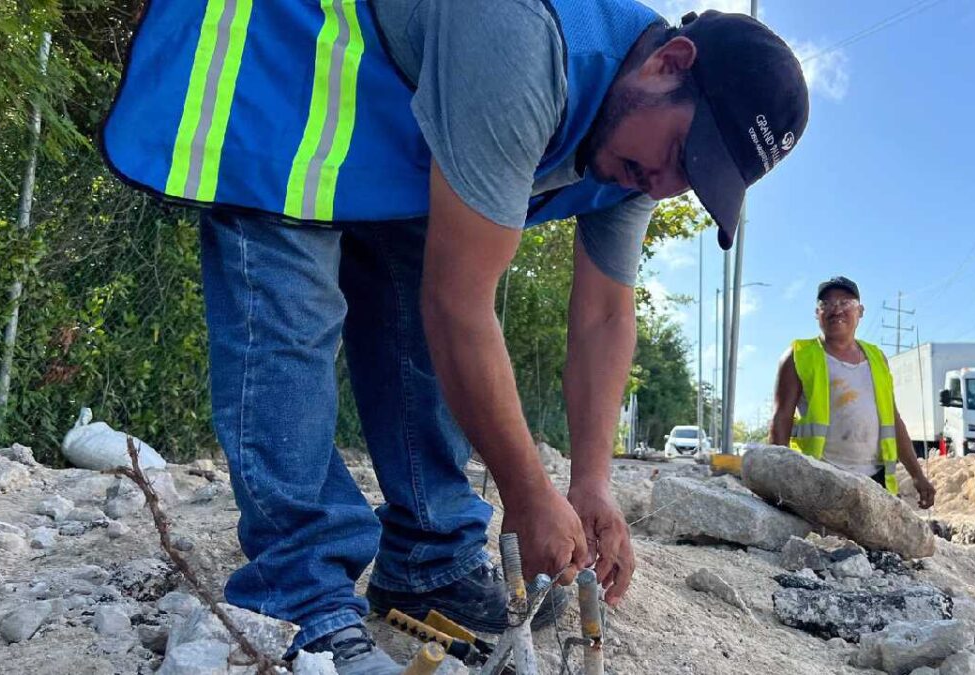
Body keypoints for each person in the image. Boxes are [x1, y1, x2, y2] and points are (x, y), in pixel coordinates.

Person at [101, 2, 809, 671]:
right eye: (683, 154)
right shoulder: (528, 43)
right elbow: (461, 305)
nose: (663, 186)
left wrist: (591, 481)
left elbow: (602, 318)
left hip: (392, 105)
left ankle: (428, 561)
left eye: (694, 179)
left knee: (414, 280)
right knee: (293, 291)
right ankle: (299, 592)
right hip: (282, 46)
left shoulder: (636, 152)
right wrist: (528, 493)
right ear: (668, 63)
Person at [771, 277, 936, 508]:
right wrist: (778, 478)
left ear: (860, 311)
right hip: (821, 476)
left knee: (875, 543)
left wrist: (918, 475)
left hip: (874, 479)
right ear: (817, 313)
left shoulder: (877, 358)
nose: (836, 309)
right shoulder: (799, 355)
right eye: (826, 304)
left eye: (845, 302)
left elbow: (893, 420)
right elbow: (781, 419)